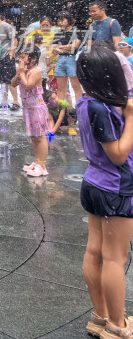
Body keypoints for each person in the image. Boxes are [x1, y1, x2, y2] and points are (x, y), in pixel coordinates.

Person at [75, 46, 133, 339]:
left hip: (94, 182)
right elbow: (119, 155)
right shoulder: (100, 108)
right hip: (115, 188)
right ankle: (117, 326)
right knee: (114, 259)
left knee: (96, 252)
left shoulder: (86, 101)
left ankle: (100, 316)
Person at [13, 47, 49, 177]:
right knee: (33, 136)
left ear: (33, 59)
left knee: (40, 136)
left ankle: (43, 165)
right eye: (20, 57)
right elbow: (13, 84)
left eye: (23, 57)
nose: (20, 59)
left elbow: (28, 85)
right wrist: (18, 75)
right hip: (28, 108)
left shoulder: (35, 72)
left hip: (37, 108)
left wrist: (22, 73)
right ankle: (37, 162)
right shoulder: (24, 71)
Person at [0, 8, 20, 110]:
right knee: (2, 81)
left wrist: (11, 54)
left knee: (10, 79)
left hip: (6, 56)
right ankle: (4, 101)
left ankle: (16, 102)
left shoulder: (6, 26)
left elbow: (14, 40)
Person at [51, 12, 82, 105]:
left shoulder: (75, 31)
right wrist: (66, 48)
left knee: (75, 86)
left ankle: (79, 107)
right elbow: (53, 49)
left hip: (72, 59)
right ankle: (61, 109)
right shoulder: (58, 34)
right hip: (61, 59)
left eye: (62, 20)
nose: (60, 22)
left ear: (68, 20)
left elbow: (75, 46)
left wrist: (60, 47)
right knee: (60, 87)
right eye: (58, 20)